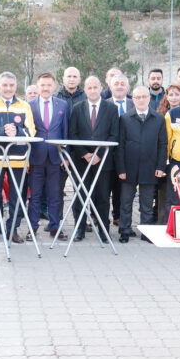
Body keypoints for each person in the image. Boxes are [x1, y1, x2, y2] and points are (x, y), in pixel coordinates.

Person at [0, 72, 36, 245]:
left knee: (16, 195)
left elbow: (31, 131)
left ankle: (13, 229)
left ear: (15, 86)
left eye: (11, 85)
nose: (8, 88)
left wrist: (17, 132)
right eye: (5, 85)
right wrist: (3, 131)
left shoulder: (24, 106)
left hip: (18, 158)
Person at [68, 75, 118, 242]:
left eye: (95, 87)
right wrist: (84, 153)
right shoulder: (77, 108)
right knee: (80, 196)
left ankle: (104, 231)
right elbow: (72, 134)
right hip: (81, 162)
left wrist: (99, 155)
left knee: (103, 197)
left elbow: (114, 134)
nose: (92, 90)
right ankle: (79, 229)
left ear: (101, 88)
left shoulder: (111, 108)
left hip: (103, 162)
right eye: (89, 88)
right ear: (85, 89)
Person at [116, 87, 167, 243]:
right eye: (137, 97)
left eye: (144, 96)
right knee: (126, 201)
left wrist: (160, 167)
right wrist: (121, 168)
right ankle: (124, 230)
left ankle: (146, 231)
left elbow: (162, 144)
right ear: (133, 99)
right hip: (129, 167)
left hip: (150, 166)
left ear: (149, 98)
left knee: (147, 202)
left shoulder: (158, 118)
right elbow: (121, 145)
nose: (141, 99)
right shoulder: (125, 118)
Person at [27, 72, 69, 240]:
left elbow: (65, 131)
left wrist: (65, 156)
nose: (45, 88)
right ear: (37, 87)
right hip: (35, 157)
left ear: (54, 87)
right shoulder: (29, 105)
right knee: (35, 195)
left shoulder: (63, 105)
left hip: (55, 157)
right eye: (42, 85)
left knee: (55, 195)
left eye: (48, 85)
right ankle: (32, 228)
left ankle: (54, 227)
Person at [105, 73, 133, 224]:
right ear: (110, 87)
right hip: (108, 154)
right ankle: (99, 216)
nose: (120, 86)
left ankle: (118, 216)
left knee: (123, 188)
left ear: (128, 88)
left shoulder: (134, 105)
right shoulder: (104, 105)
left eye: (123, 84)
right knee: (105, 186)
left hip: (128, 155)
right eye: (116, 84)